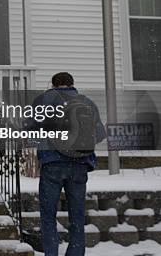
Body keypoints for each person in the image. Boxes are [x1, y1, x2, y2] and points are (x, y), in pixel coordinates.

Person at [31, 72, 106, 256]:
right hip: (80, 165)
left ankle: (51, 253)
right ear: (72, 84)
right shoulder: (87, 102)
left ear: (53, 84)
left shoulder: (43, 101)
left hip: (52, 164)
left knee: (48, 216)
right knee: (77, 216)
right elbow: (101, 134)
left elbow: (31, 129)